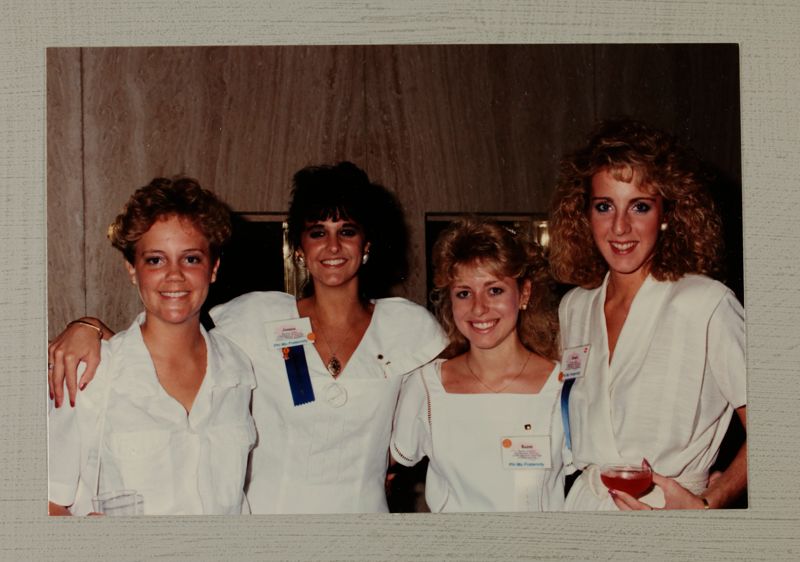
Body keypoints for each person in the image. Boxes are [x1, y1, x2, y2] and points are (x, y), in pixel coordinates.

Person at [48, 162, 447, 513]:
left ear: (367, 243)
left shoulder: (408, 329)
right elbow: (161, 345)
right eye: (317, 232)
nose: (332, 246)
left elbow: (444, 401)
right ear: (298, 247)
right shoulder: (255, 319)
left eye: (347, 230)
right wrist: (87, 327)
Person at [548, 118, 747, 510]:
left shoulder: (706, 304)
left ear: (668, 214)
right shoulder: (574, 307)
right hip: (583, 507)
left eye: (640, 206)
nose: (620, 227)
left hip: (668, 514)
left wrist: (708, 503)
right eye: (604, 206)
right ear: (584, 215)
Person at [48, 177, 257, 515]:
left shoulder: (238, 369)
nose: (174, 276)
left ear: (213, 268)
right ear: (132, 269)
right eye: (155, 260)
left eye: (190, 259)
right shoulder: (90, 374)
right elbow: (47, 504)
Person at [390, 217, 566, 512]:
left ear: (523, 293)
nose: (478, 307)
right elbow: (371, 465)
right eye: (464, 293)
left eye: (494, 290)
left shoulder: (562, 387)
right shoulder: (427, 387)